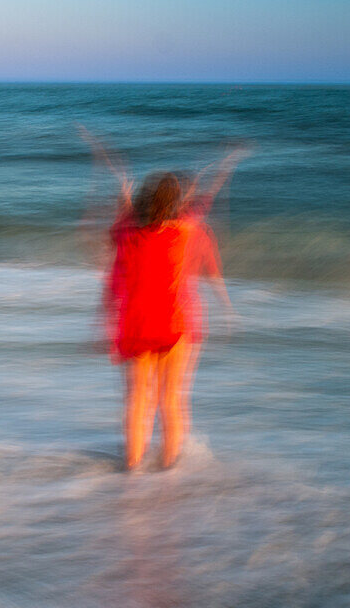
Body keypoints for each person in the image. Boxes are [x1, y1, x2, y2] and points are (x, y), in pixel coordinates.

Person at [84, 132, 245, 470]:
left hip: (136, 325)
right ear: (176, 205)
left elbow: (122, 213)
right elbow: (203, 202)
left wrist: (114, 175)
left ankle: (131, 469)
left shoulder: (125, 232)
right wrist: (224, 166)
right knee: (171, 400)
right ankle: (170, 472)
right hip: (174, 324)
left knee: (137, 401)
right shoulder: (183, 231)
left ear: (142, 200)